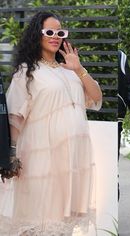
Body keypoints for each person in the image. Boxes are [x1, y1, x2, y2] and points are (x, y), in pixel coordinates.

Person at [0, 11, 102, 235]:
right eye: (49, 32)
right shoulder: (27, 73)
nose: (55, 36)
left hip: (73, 157)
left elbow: (95, 98)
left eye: (60, 32)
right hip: (41, 158)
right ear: (37, 35)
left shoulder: (70, 71)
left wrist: (79, 69)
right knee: (40, 219)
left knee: (62, 222)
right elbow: (15, 118)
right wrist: (11, 153)